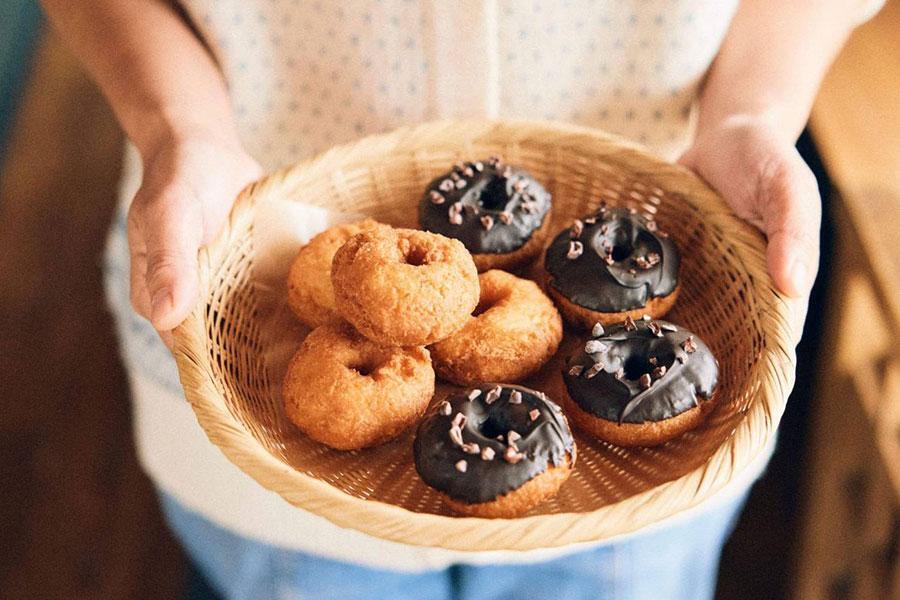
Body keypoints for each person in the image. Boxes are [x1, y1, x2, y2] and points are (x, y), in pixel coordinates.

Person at [40, 1, 883, 598]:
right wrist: (178, 129)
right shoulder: (343, 298)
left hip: (651, 347)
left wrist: (751, 116)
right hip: (239, 267)